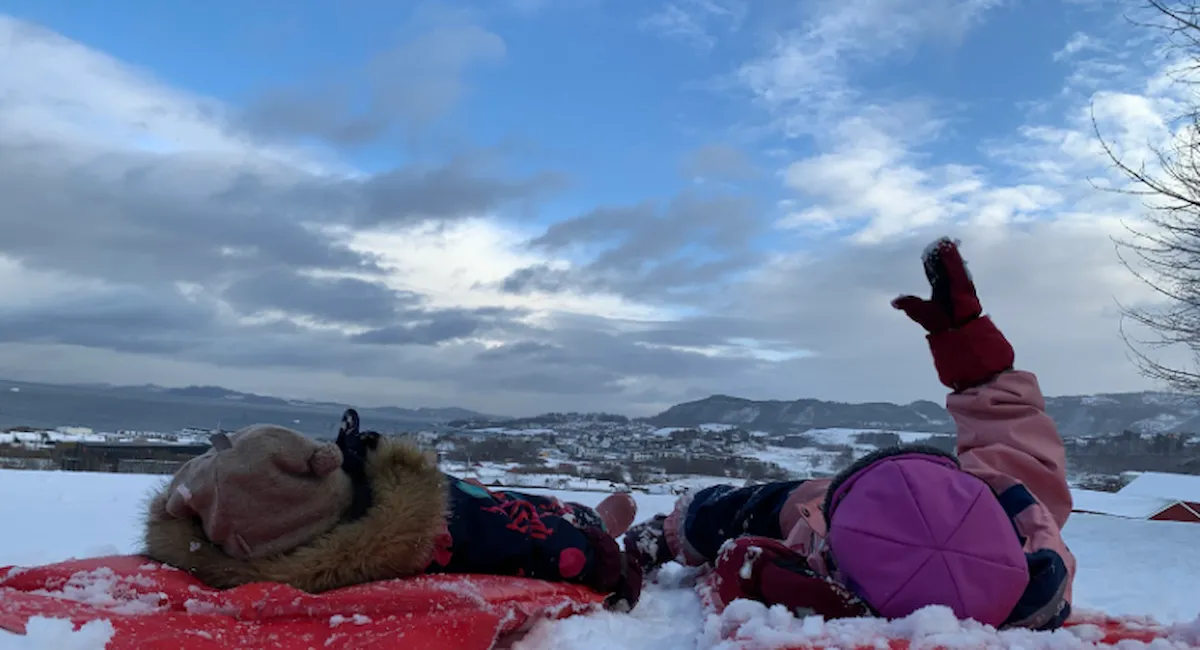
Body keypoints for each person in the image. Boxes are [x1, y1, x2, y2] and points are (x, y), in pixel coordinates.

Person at [622, 237, 1075, 631]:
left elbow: (746, 559)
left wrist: (710, 546)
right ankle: (685, 525)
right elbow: (1013, 432)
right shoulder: (1022, 518)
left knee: (741, 511)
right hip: (836, 521)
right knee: (759, 509)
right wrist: (967, 341)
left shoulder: (817, 565)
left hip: (804, 514)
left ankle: (670, 530)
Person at [142, 409, 643, 611]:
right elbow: (531, 538)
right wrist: (604, 557)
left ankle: (583, 512)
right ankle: (591, 516)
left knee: (505, 503)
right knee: (529, 513)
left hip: (416, 498)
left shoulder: (230, 533)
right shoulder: (424, 535)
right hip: (470, 514)